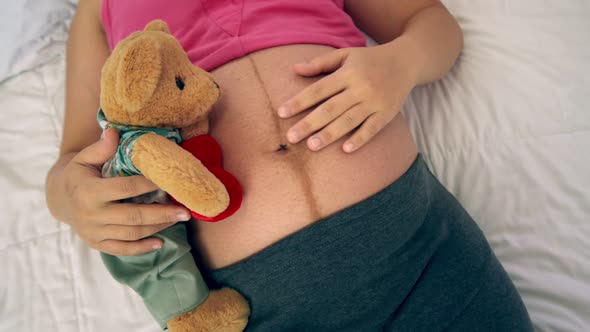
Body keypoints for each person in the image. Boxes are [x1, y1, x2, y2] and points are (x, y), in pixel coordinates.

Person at [45, 0, 534, 331]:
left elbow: (432, 23)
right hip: (256, 304)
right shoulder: (98, 8)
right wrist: (72, 198)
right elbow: (74, 156)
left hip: (423, 257)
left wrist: (399, 65)